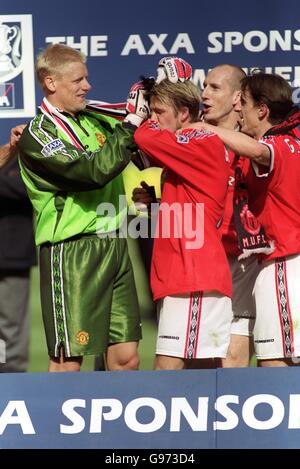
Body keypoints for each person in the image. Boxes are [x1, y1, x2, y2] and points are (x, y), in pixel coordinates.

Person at [18, 43, 143, 372]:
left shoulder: (94, 120)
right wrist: (130, 124)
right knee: (68, 362)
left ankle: (118, 423)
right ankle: (57, 425)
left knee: (126, 359)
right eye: (78, 80)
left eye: (86, 78)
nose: (87, 87)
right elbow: (91, 173)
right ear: (51, 83)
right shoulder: (38, 135)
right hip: (72, 250)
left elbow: (137, 152)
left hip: (115, 243)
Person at [191, 72, 300, 366]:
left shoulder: (280, 145)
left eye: (245, 104)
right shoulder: (293, 141)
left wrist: (202, 127)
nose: (239, 109)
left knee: (277, 364)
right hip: (279, 263)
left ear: (262, 110)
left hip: (285, 263)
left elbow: (258, 150)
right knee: (277, 361)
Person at [134, 77, 232, 370]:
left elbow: (145, 137)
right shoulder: (182, 151)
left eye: (158, 111)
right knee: (199, 372)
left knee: (167, 370)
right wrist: (157, 206)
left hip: (194, 276)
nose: (152, 118)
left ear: (185, 114)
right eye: (150, 111)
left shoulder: (201, 141)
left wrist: (134, 115)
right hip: (183, 276)